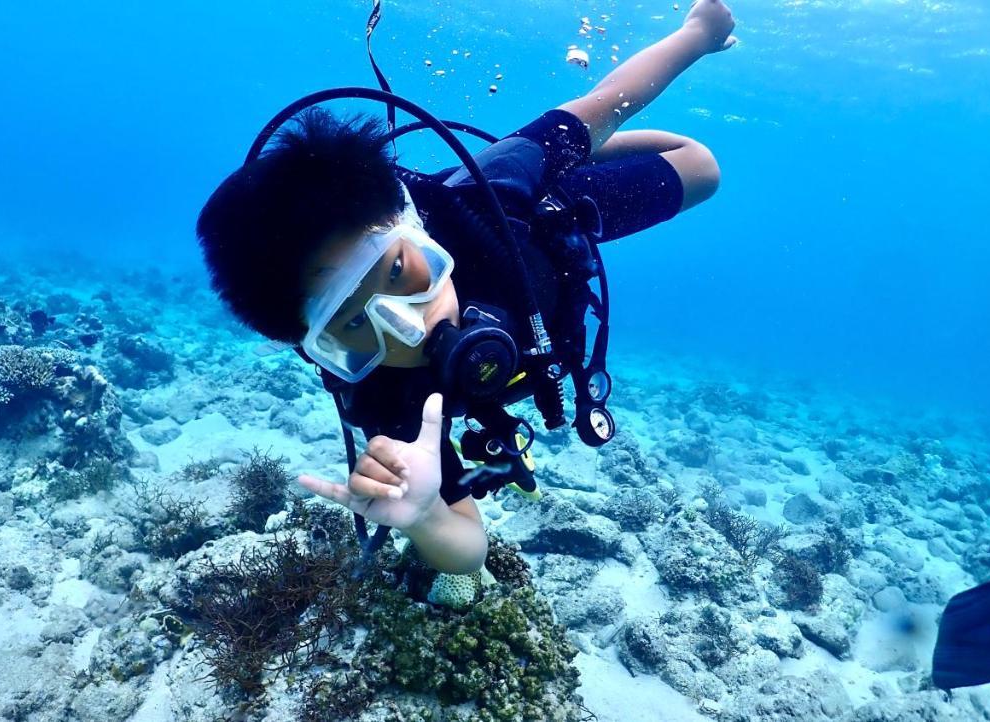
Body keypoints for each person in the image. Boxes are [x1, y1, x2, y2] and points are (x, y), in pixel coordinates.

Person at [197, 0, 738, 574]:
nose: (411, 325)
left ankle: (551, 153)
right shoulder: (383, 392)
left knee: (700, 166)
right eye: (354, 324)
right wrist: (425, 515)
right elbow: (468, 548)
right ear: (317, 344)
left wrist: (697, 35)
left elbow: (609, 98)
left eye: (401, 273)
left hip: (535, 224)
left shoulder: (495, 198)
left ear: (413, 228)